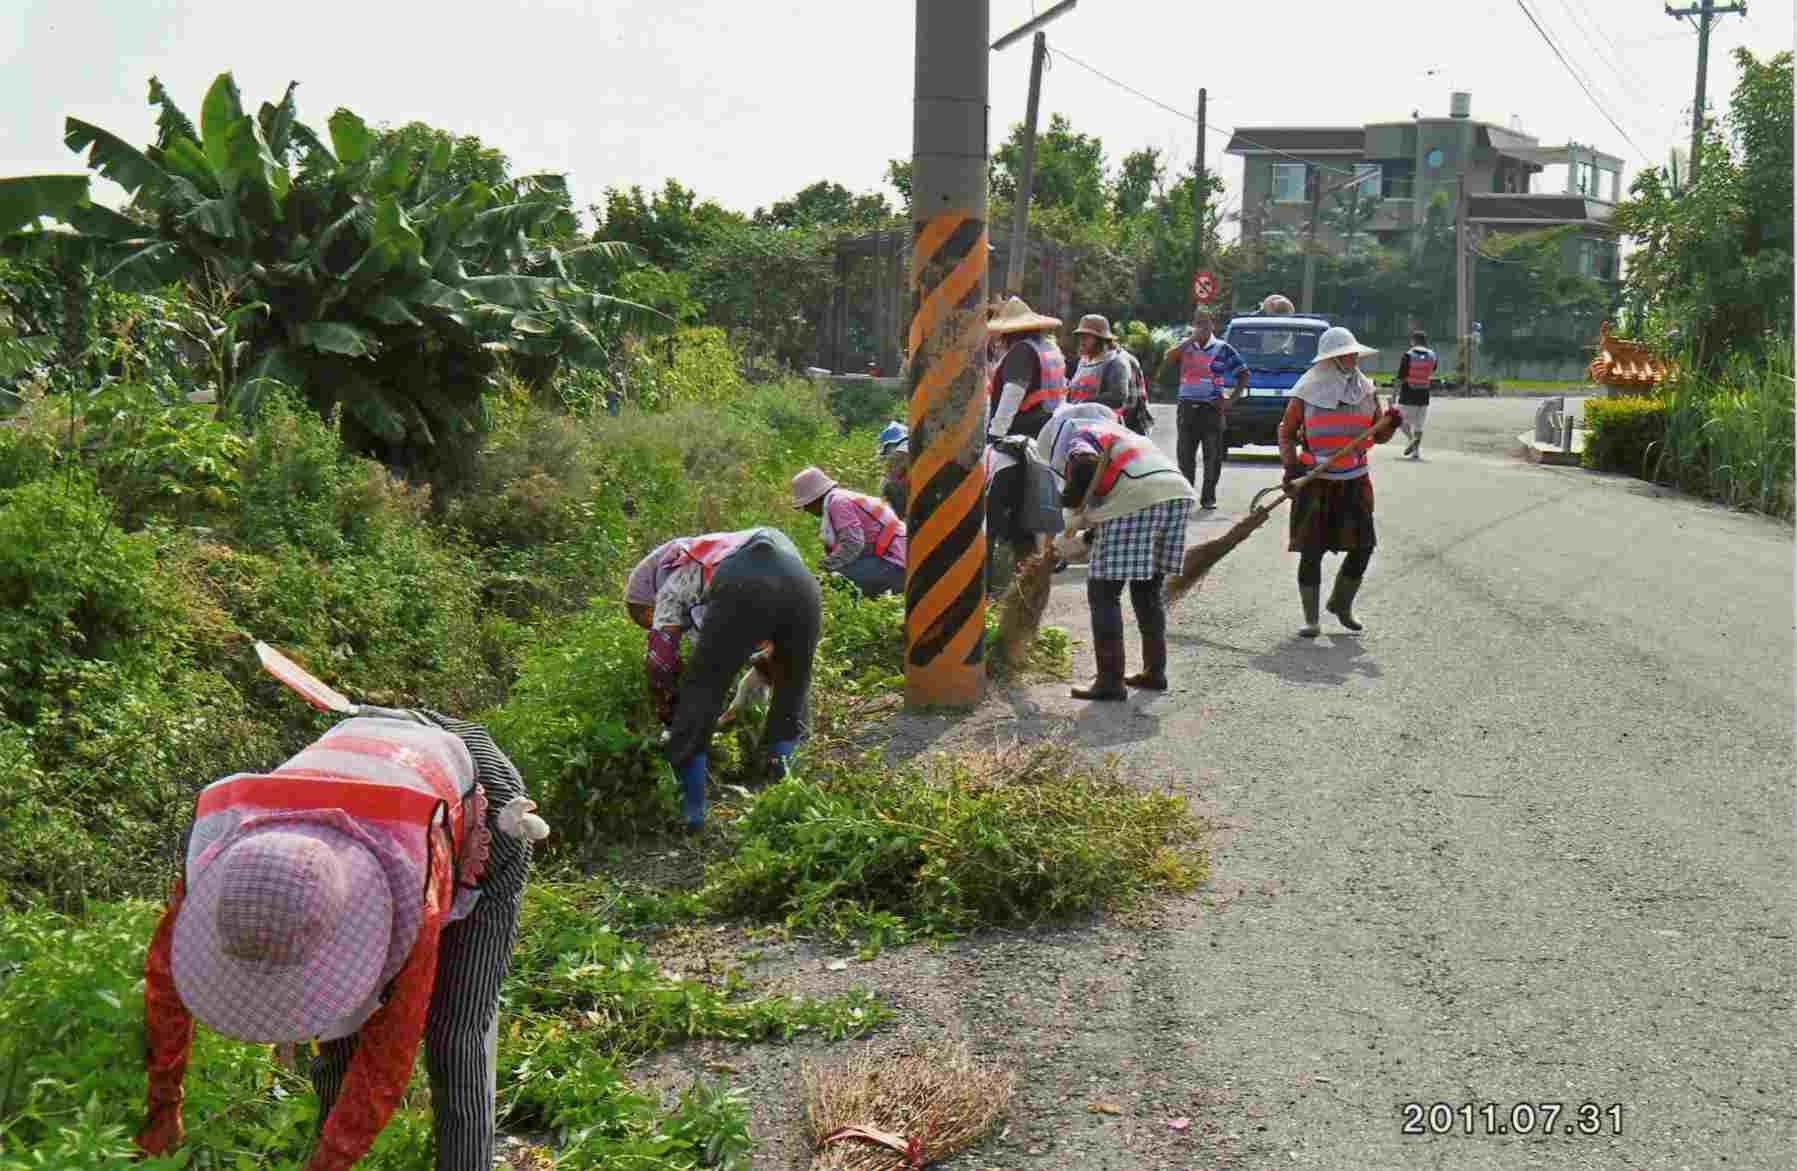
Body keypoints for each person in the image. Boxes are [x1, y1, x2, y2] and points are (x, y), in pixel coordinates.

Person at [136, 711, 540, 1171]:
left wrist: (330, 1163)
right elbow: (165, 988)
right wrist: (162, 1109)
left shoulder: (414, 885)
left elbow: (391, 1045)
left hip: (477, 790)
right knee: (338, 1029)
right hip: (372, 748)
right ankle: (329, 1138)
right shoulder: (218, 860)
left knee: (456, 1034)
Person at [625, 529, 821, 828]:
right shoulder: (726, 548)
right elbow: (767, 634)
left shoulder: (675, 577)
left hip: (743, 584)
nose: (650, 623)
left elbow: (660, 662)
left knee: (701, 693)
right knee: (792, 690)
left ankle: (692, 813)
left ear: (649, 590)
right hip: (803, 584)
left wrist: (669, 711)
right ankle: (793, 799)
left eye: (647, 617)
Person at [1037, 403, 1197, 699]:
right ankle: (1154, 672)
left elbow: (1084, 466)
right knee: (1147, 590)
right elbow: (1107, 505)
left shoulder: (1081, 437)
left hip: (1138, 500)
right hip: (1177, 496)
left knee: (1103, 592)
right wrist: (1081, 532)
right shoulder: (1123, 435)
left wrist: (1071, 507)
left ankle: (1110, 682)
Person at [1278, 326, 1402, 638]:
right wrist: (1291, 467)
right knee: (1311, 550)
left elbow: (1378, 436)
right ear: (1329, 359)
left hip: (1354, 479)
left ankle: (1341, 604)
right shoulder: (1306, 391)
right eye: (1345, 355)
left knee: (1364, 547)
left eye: (1353, 353)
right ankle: (1311, 619)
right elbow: (1286, 432)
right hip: (1315, 480)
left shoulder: (1366, 390)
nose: (1352, 359)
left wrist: (1391, 423)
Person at [1164, 311, 1249, 510]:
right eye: (1198, 323)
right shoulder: (1186, 347)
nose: (1202, 327)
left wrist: (1231, 399)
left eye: (1205, 323)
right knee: (1185, 456)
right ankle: (1187, 497)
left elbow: (1243, 373)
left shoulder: (1222, 348)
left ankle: (1208, 498)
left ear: (1213, 325)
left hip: (1212, 408)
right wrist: (1190, 340)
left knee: (1213, 456)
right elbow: (1169, 359)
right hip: (1187, 407)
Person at [790, 466, 907, 598]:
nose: (806, 510)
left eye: (806, 505)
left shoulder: (838, 503)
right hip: (896, 559)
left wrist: (826, 567)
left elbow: (853, 544)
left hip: (895, 563)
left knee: (833, 584)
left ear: (815, 499)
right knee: (832, 580)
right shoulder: (840, 498)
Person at [1393, 330, 1437, 459]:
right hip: (1424, 394)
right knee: (1419, 424)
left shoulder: (1408, 355)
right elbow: (1433, 369)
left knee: (1397, 419)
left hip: (1408, 393)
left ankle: (1411, 439)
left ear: (1413, 341)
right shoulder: (1432, 355)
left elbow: (1400, 377)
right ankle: (1416, 452)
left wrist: (1394, 395)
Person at [876, 421, 910, 515]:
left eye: (886, 450)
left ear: (891, 444)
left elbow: (889, 479)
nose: (887, 455)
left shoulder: (900, 453)